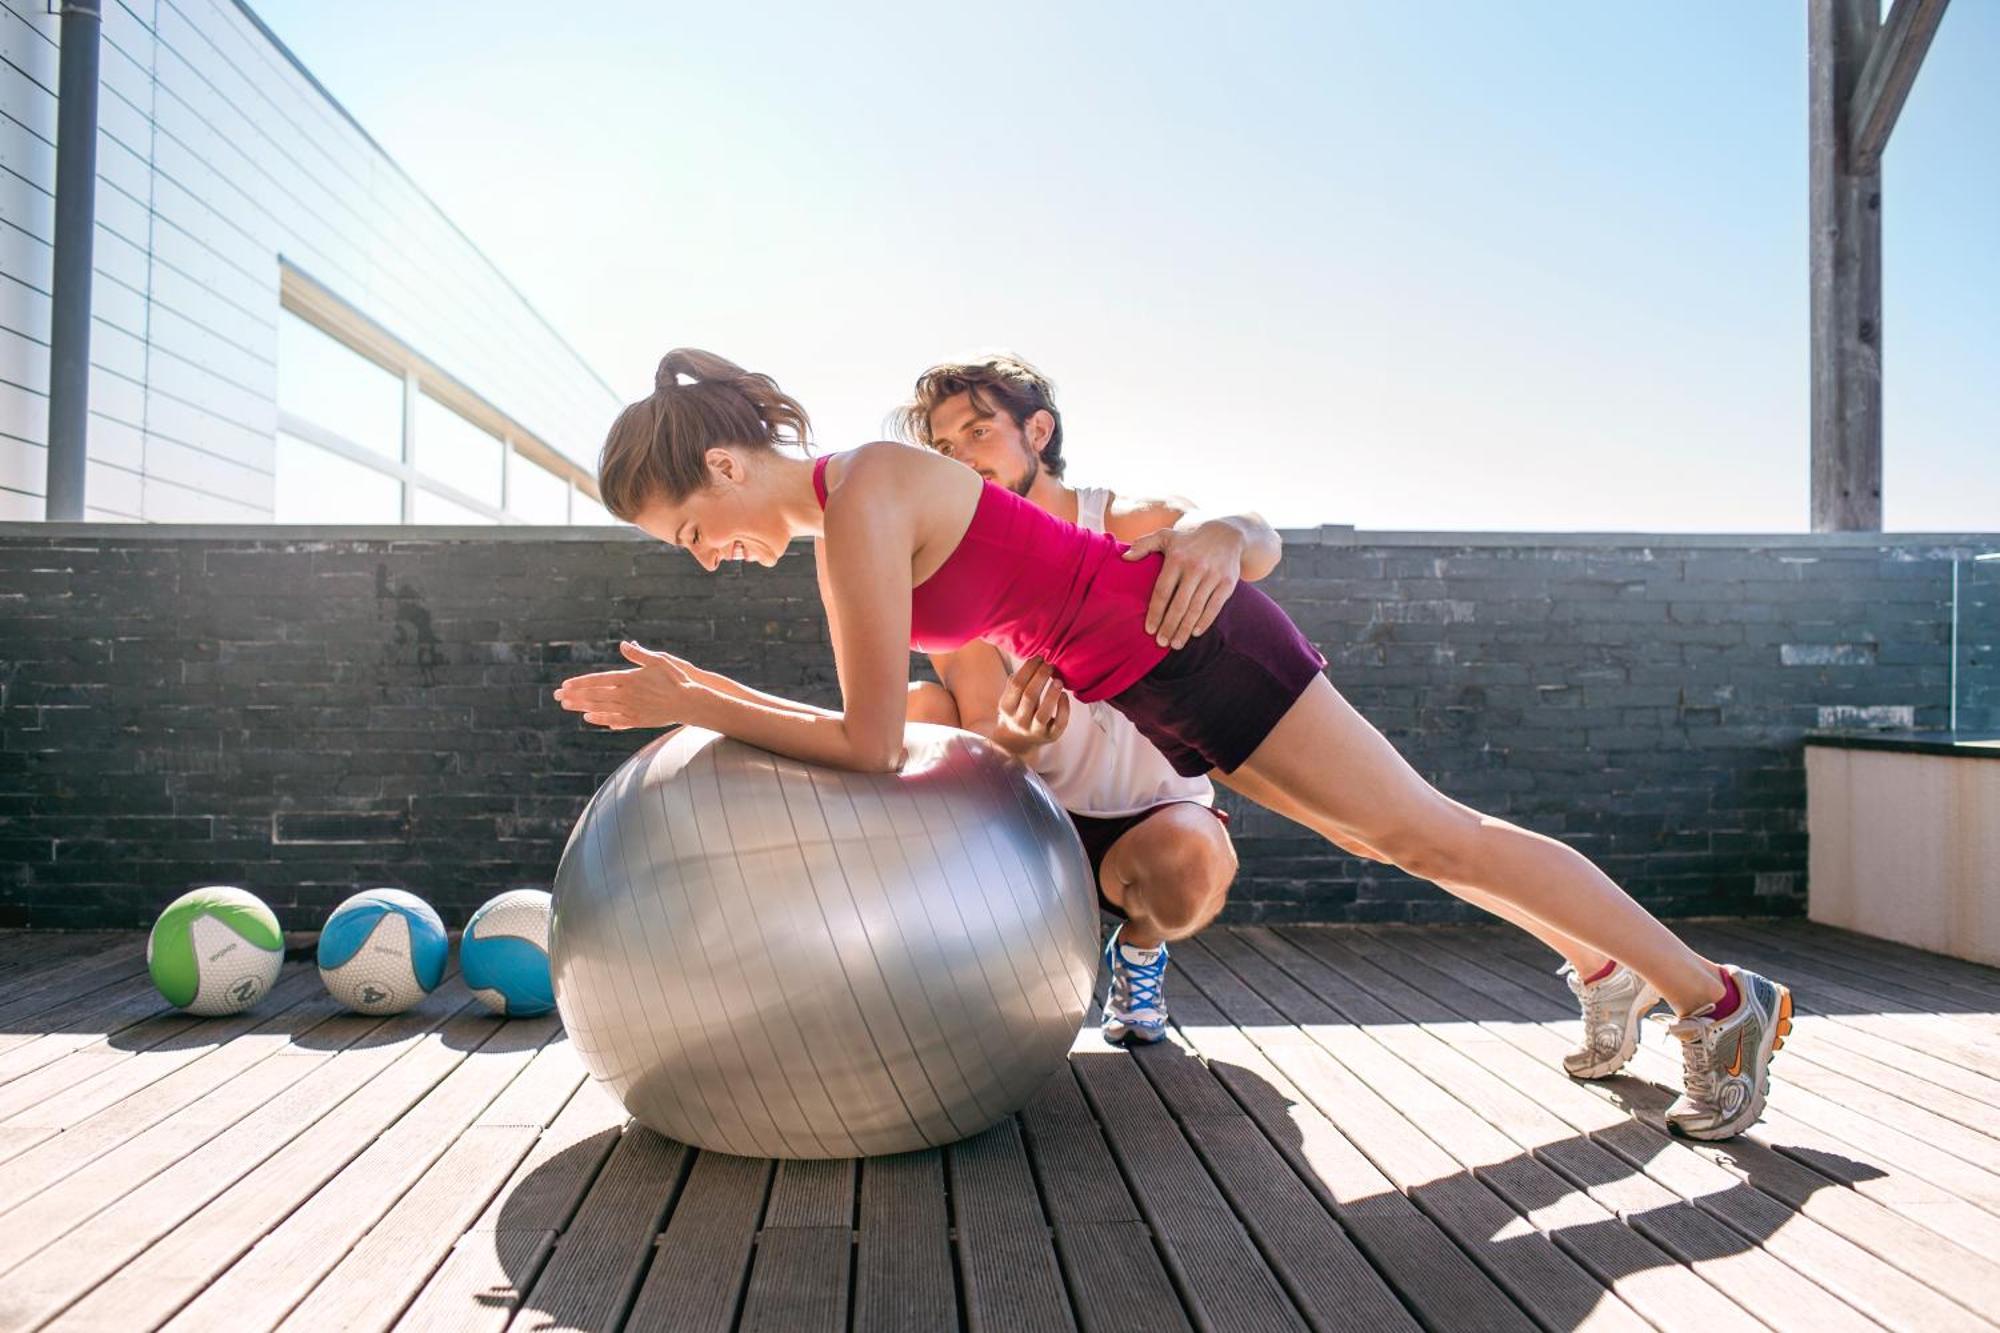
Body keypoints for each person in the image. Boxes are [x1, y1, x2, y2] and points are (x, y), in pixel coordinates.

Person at [554, 349, 1793, 1142]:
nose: (705, 553)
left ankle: (1718, 998)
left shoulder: (864, 493)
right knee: (1410, 842)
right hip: (1154, 683)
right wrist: (702, 694)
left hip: (1198, 649)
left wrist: (696, 697)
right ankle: (1603, 967)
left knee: (1433, 830)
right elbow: (918, 719)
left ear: (721, 465)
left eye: (688, 529)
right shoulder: (847, 514)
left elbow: (871, 746)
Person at [891, 354, 1275, 1046]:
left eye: (979, 432)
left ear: (1038, 430)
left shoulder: (1126, 521)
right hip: (1035, 822)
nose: (961, 458)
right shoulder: (957, 579)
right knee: (918, 710)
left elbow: (1250, 538)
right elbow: (984, 732)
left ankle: (1137, 950)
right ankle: (936, 956)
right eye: (945, 448)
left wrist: (1231, 533)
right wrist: (1022, 738)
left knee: (1192, 864)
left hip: (1152, 816)